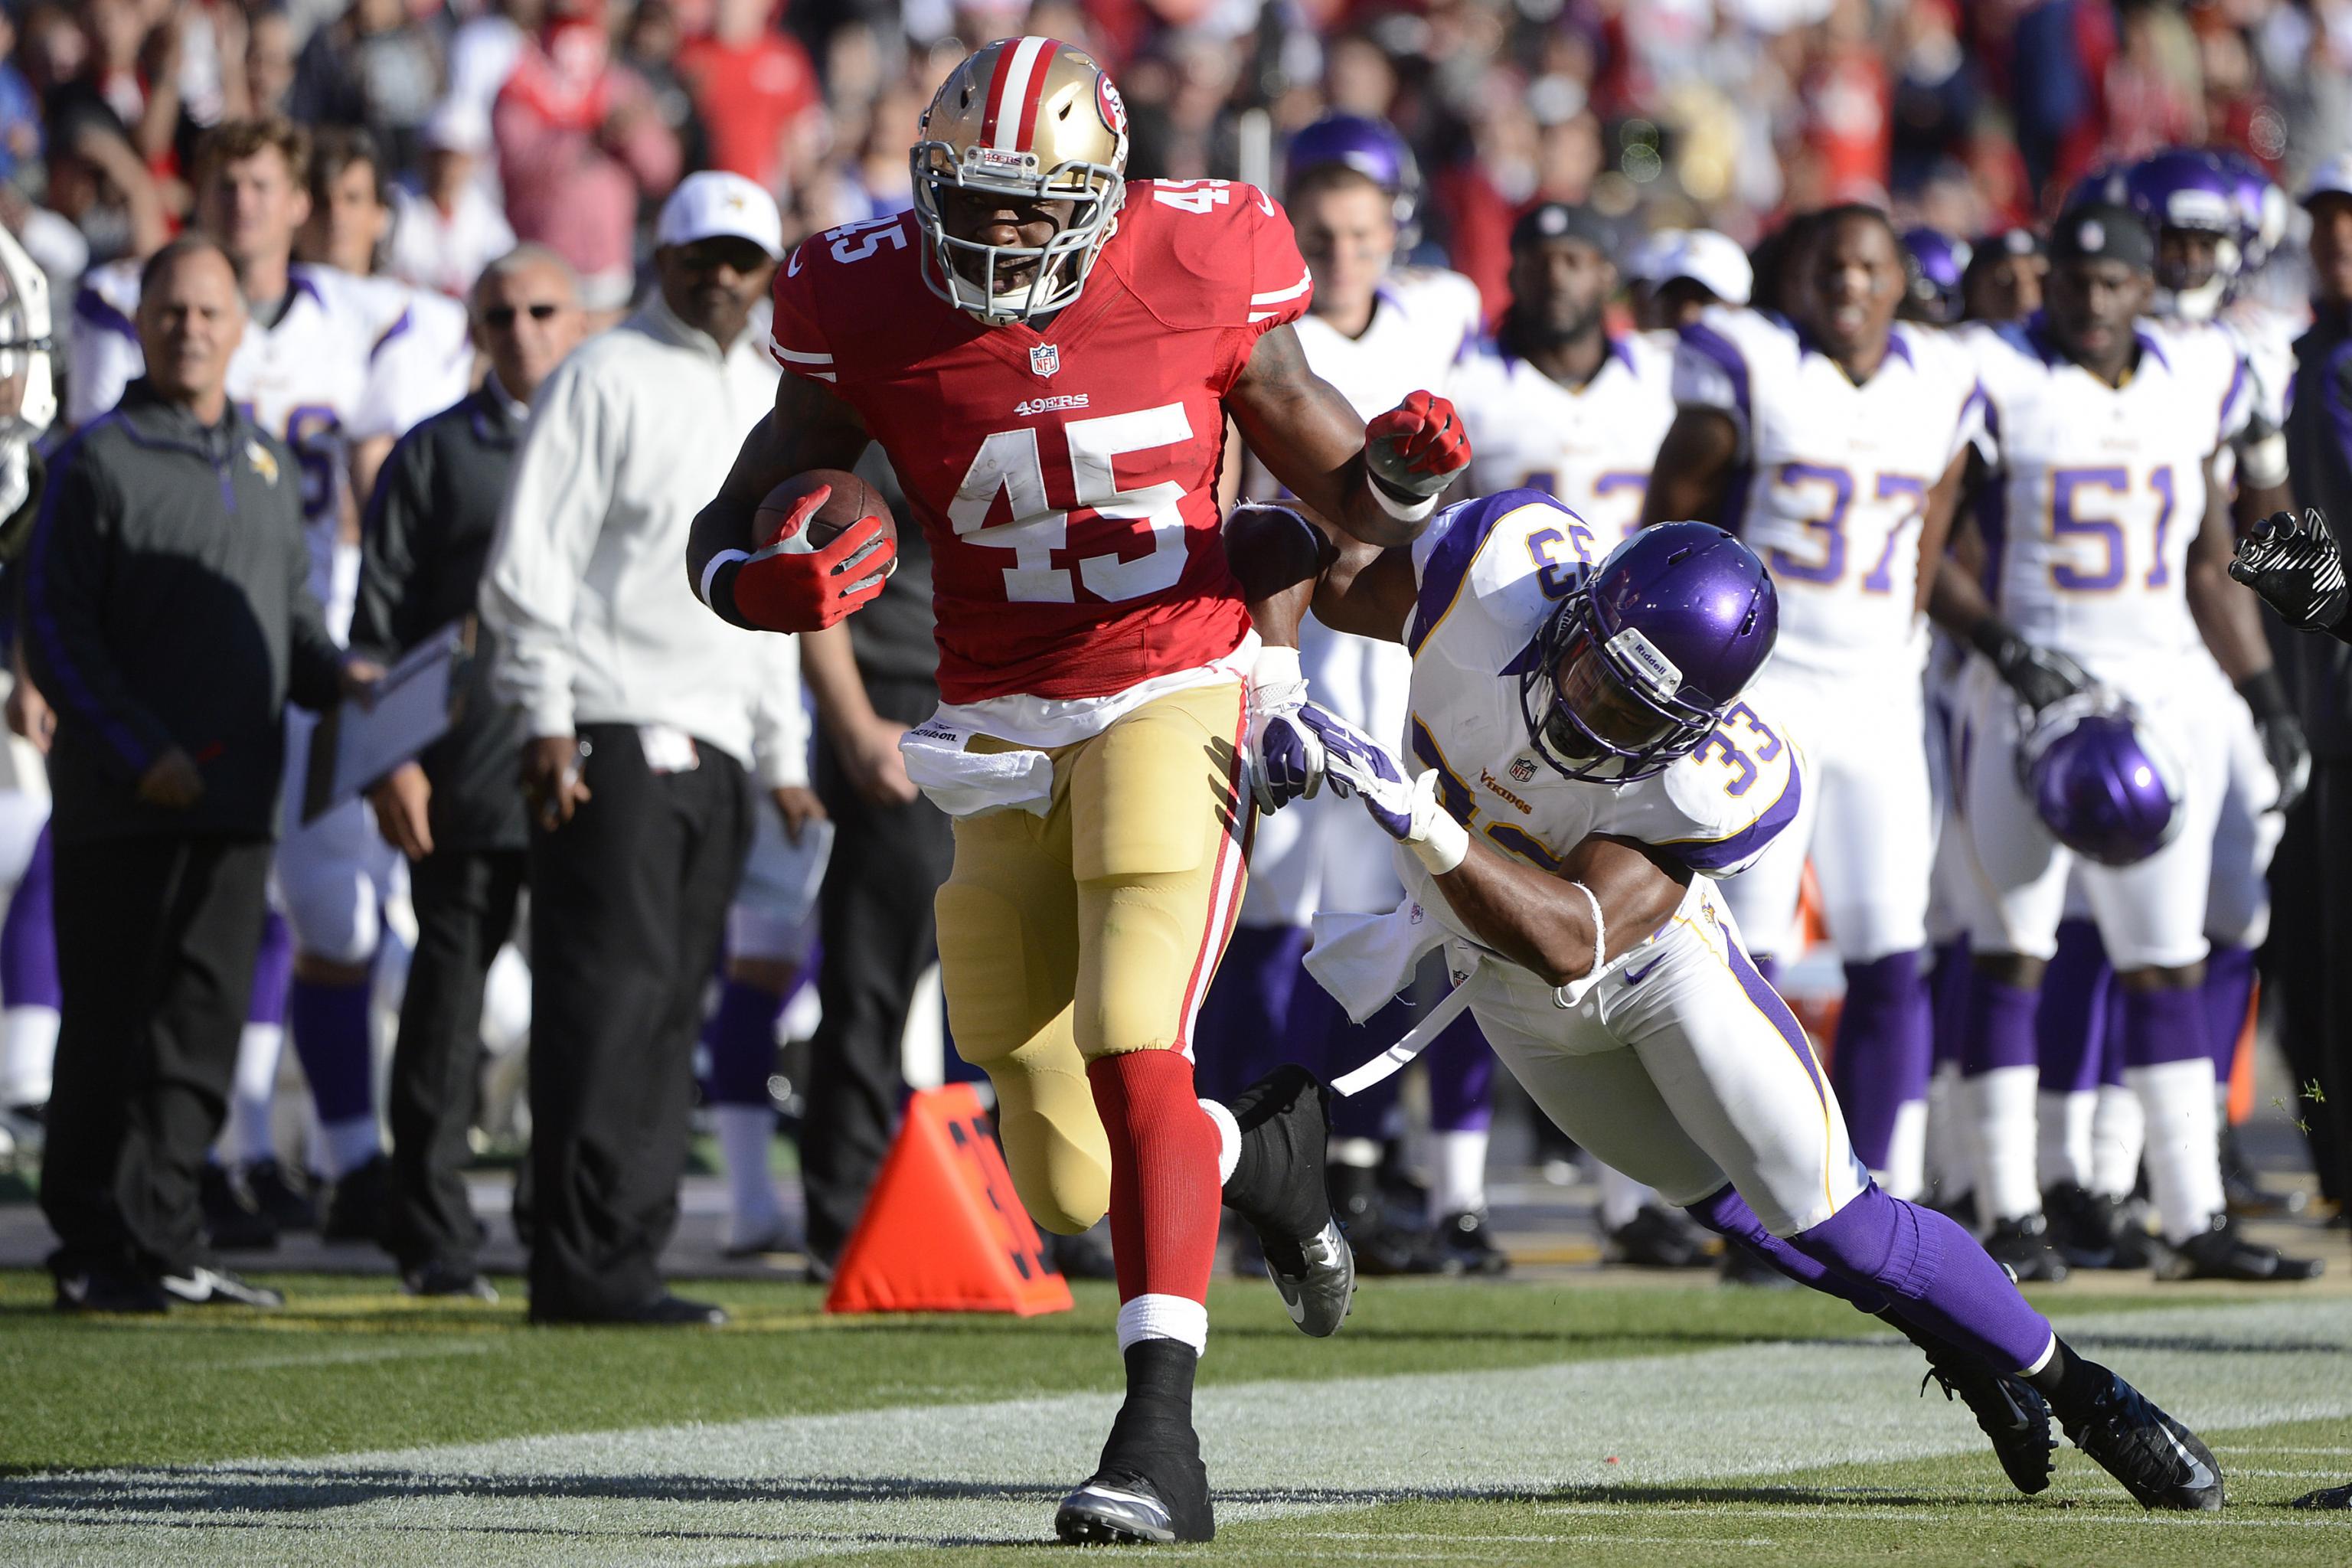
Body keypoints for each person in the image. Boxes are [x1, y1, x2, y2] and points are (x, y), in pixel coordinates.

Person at [684, 38, 1472, 1544]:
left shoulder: (1205, 251)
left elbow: (1341, 504)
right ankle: (1266, 1149)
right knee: (1056, 1156)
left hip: (1176, 677)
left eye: (1036, 206)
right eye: (973, 202)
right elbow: (730, 519)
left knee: (1133, 1024)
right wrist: (760, 577)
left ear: (1106, 196)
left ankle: (1158, 1435)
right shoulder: (855, 294)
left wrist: (1405, 476)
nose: (1001, 236)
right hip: (995, 713)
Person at [1234, 486, 2226, 1515]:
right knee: (1734, 1213)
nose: (1592, 716)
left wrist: (1416, 820)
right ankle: (1961, 1344)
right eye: (1594, 676)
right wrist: (1274, 682)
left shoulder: (1712, 781)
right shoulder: (1490, 591)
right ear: (1575, 619)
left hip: (1655, 976)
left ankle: (2090, 1393)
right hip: (1506, 994)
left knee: (1836, 1219)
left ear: (1695, 731)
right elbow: (1281, 540)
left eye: (1635, 717)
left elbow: (1575, 939)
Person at [67, 116, 469, 1244]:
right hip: (179, 644)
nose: (241, 201)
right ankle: (219, 1156)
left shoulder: (368, 320)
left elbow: (380, 491)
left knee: (331, 910)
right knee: (200, 913)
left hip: (316, 634)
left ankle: (344, 1157)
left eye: (261, 183)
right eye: (221, 182)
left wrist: (380, 652)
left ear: (301, 201)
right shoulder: (137, 306)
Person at [1932, 203, 2318, 1283]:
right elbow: (1936, 541)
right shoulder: (1994, 370)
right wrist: (2005, 651)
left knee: (2167, 960)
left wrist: (2267, 699)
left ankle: (2193, 1217)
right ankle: (2009, 1211)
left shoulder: (2201, 374)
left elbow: (2212, 558)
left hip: (2154, 699)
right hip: (2027, 695)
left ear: (2147, 288)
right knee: (2013, 949)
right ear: (2046, 279)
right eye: (2073, 281)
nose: (2091, 303)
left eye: (2114, 285)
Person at [481, 171, 808, 1327]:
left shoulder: (769, 397)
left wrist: (780, 756)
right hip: (609, 723)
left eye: (742, 258)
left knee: (673, 1000)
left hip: (716, 737)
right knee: (603, 997)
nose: (720, 276)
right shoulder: (602, 373)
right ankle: (576, 1260)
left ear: (769, 271)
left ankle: (630, 1245)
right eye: (698, 254)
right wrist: (546, 717)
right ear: (659, 260)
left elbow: (772, 594)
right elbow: (533, 566)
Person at [27, 236, 374, 1312]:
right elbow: (54, 632)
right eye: (170, 310)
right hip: (121, 803)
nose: (190, 328)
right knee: (111, 1024)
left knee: (203, 1025)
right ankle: (90, 1238)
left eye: (209, 312)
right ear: (139, 322)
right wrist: (140, 752)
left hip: (236, 805)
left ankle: (164, 1231)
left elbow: (295, 628)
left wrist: (353, 678)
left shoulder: (270, 467)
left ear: (237, 329)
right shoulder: (93, 459)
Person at [1644, 205, 1980, 1225]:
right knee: (1744, 949)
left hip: (1879, 688)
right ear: (1795, 281)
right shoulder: (1751, 365)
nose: (1849, 285)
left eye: (1869, 267)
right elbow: (1675, 508)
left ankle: (1890, 1191)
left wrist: (1912, 620)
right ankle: (1744, 1189)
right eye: (1830, 266)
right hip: (1766, 690)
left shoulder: (1943, 379)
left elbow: (1940, 500)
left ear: (1896, 282)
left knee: (1890, 943)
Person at [1233, 113, 1495, 1277]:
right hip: (1297, 656)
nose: (1340, 256)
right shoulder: (1260, 325)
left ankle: (1354, 1173)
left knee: (1397, 927)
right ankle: (1244, 1167)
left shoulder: (1443, 316)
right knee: (1273, 929)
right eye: (1319, 233)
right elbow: (1250, 504)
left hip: (1411, 659)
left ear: (1397, 234)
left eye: (1360, 232)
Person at [1448, 200, 1707, 1269]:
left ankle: (1631, 1196)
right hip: (1508, 687)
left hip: (1631, 704)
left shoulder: (1663, 376)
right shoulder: (1469, 372)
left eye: (1579, 256)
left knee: (1622, 943)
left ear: (1609, 271)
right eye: (1541, 257)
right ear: (1511, 265)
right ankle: (1451, 1191)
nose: (1559, 275)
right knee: (1466, 932)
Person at [352, 245, 589, 1300]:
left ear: (579, 321)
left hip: (603, 767)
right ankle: (433, 1238)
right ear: (474, 330)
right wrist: (388, 758)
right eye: (500, 314)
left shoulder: (615, 439)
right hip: (468, 773)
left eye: (544, 310)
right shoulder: (435, 454)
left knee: (587, 1016)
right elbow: (375, 630)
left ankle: (567, 1230)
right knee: (444, 1019)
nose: (524, 329)